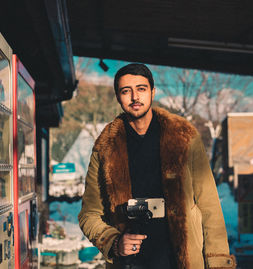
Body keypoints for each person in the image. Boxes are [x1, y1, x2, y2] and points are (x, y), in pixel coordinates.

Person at [78, 63, 236, 269]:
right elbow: (89, 214)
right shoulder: (106, 147)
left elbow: (209, 206)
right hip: (131, 263)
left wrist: (218, 262)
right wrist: (114, 242)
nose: (135, 97)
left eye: (141, 89)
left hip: (181, 259)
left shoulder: (184, 137)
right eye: (126, 91)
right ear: (118, 97)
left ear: (153, 92)